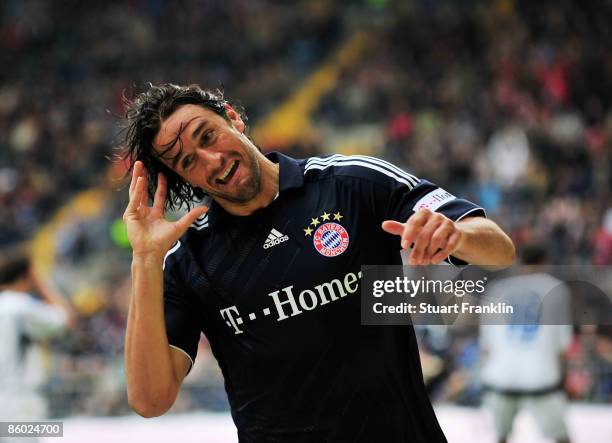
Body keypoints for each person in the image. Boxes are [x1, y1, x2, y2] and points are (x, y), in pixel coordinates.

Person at [121, 83, 515, 442]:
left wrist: (458, 235)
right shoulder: (189, 258)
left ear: (233, 117)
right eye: (188, 162)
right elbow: (150, 400)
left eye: (207, 136)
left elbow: (499, 250)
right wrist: (144, 259)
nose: (210, 160)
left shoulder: (353, 183)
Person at [480, 244, 573, 443]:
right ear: (545, 262)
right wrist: (563, 378)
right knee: (561, 437)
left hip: (501, 376)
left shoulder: (497, 289)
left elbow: (486, 344)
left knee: (501, 437)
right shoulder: (556, 289)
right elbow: (563, 343)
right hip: (540, 377)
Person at [0, 248, 75, 422]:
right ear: (27, 277)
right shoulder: (20, 306)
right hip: (19, 401)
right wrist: (42, 284)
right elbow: (67, 319)